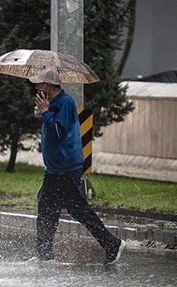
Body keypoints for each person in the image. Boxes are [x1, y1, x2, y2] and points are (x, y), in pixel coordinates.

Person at [28, 68, 126, 264]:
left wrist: (46, 113)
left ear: (48, 85)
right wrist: (41, 113)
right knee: (47, 209)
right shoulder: (52, 103)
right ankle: (44, 255)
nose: (36, 87)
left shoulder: (64, 103)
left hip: (66, 168)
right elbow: (51, 125)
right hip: (54, 169)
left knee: (79, 209)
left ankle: (112, 244)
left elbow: (58, 133)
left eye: (39, 83)